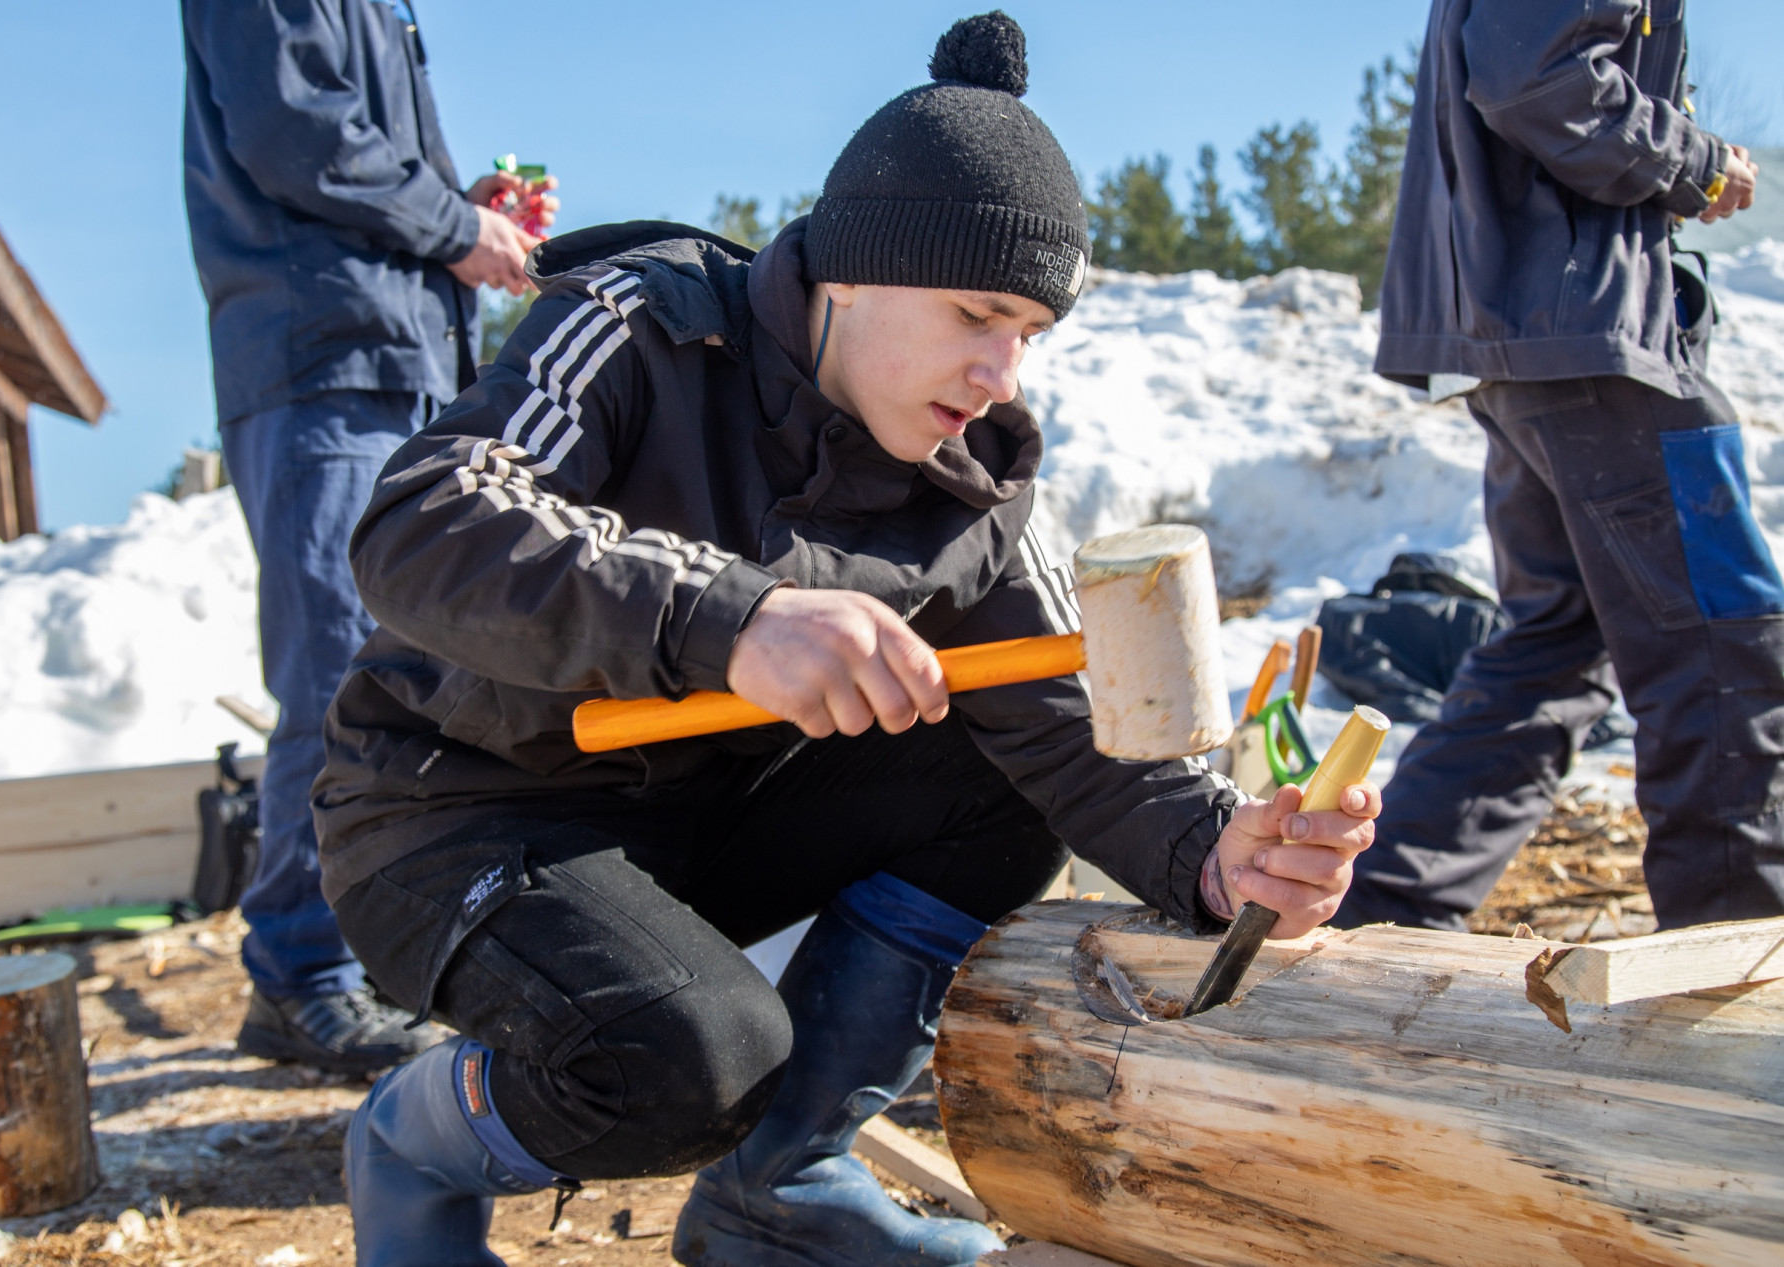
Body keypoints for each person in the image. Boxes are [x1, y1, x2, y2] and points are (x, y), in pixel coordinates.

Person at [317, 14, 1380, 1267]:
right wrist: (731, 617)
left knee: (992, 770)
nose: (1001, 372)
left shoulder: (969, 485)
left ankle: (783, 1189)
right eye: (977, 314)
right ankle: (413, 1141)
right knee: (686, 1065)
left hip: (691, 833)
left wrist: (1217, 853)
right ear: (853, 270)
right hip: (457, 817)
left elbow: (1061, 728)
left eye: (1029, 335)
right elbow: (426, 516)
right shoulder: (643, 327)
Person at [1339, 0, 1782, 933]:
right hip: (1584, 336)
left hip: (1533, 339)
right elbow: (1534, 76)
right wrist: (1695, 162)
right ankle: (1733, 966)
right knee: (1723, 640)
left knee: (1554, 644)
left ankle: (1380, 915)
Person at [181, 0, 553, 1072]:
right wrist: (459, 230)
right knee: (338, 672)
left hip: (393, 361)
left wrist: (463, 212)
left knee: (407, 668)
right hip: (322, 364)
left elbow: (357, 154)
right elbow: (295, 131)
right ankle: (302, 974)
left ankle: (370, 953)